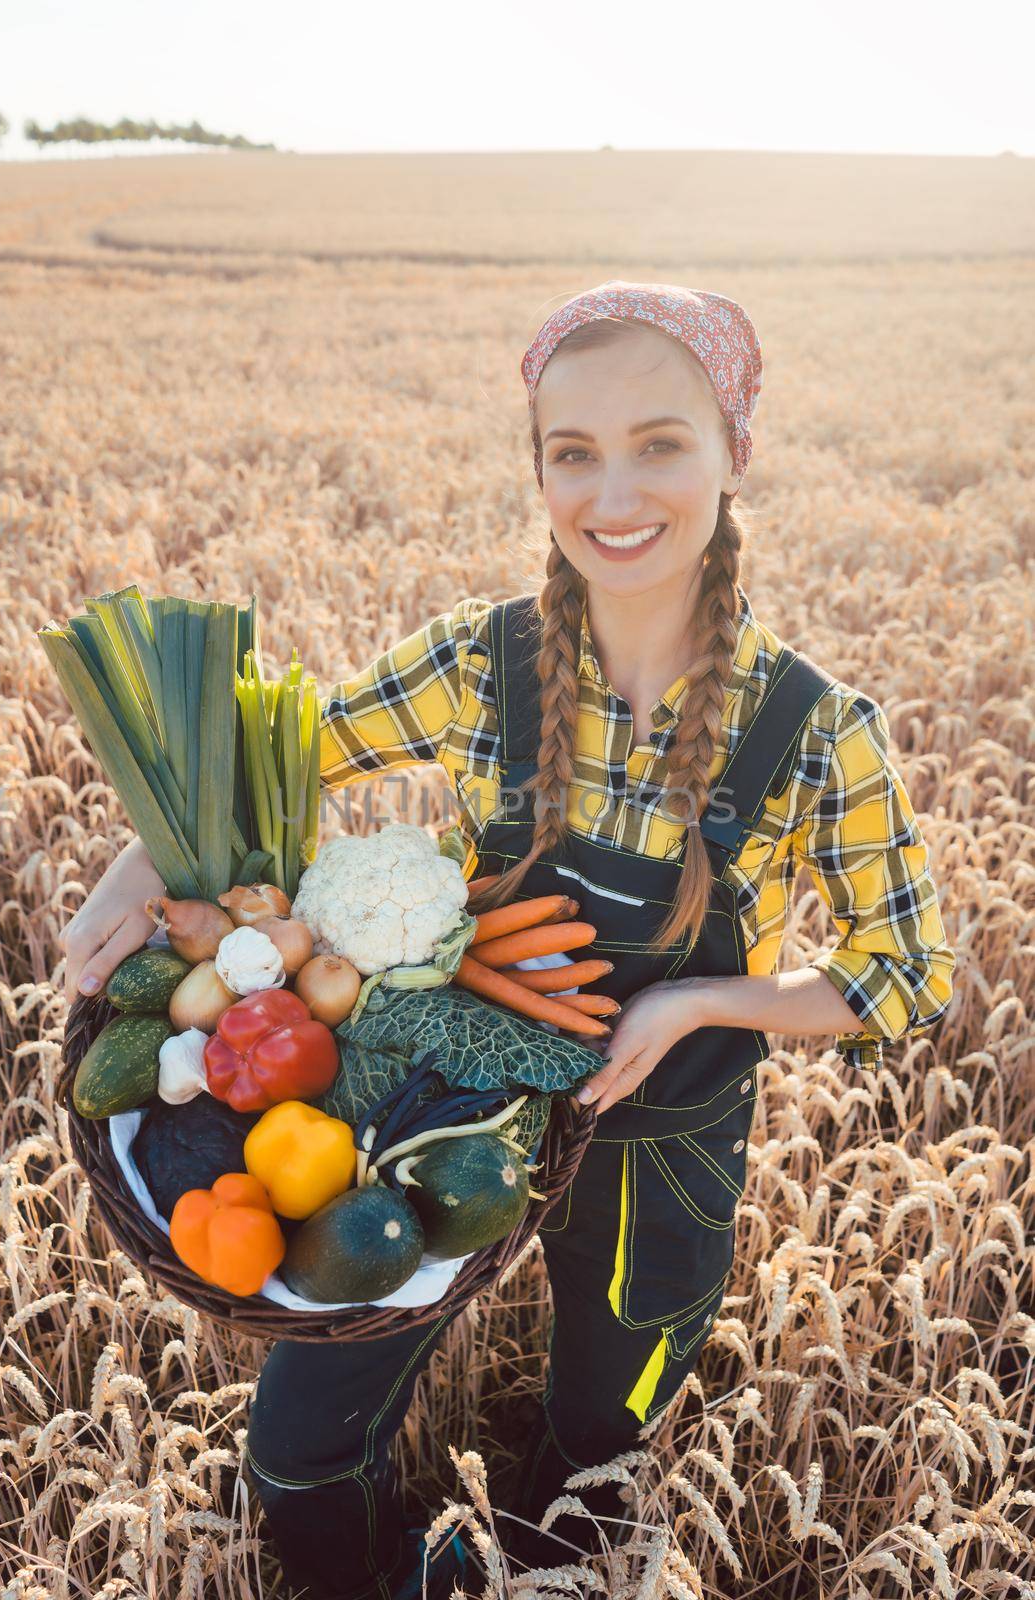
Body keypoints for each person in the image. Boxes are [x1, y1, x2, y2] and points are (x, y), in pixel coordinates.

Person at [59, 281, 956, 1600]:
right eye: (573, 452)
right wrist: (145, 859)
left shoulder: (817, 731)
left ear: (735, 451)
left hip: (667, 1144)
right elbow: (287, 755)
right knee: (300, 1455)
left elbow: (905, 973)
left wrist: (696, 1008)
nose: (614, 493)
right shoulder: (485, 665)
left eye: (661, 442)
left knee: (596, 1453)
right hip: (450, 1102)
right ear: (537, 468)